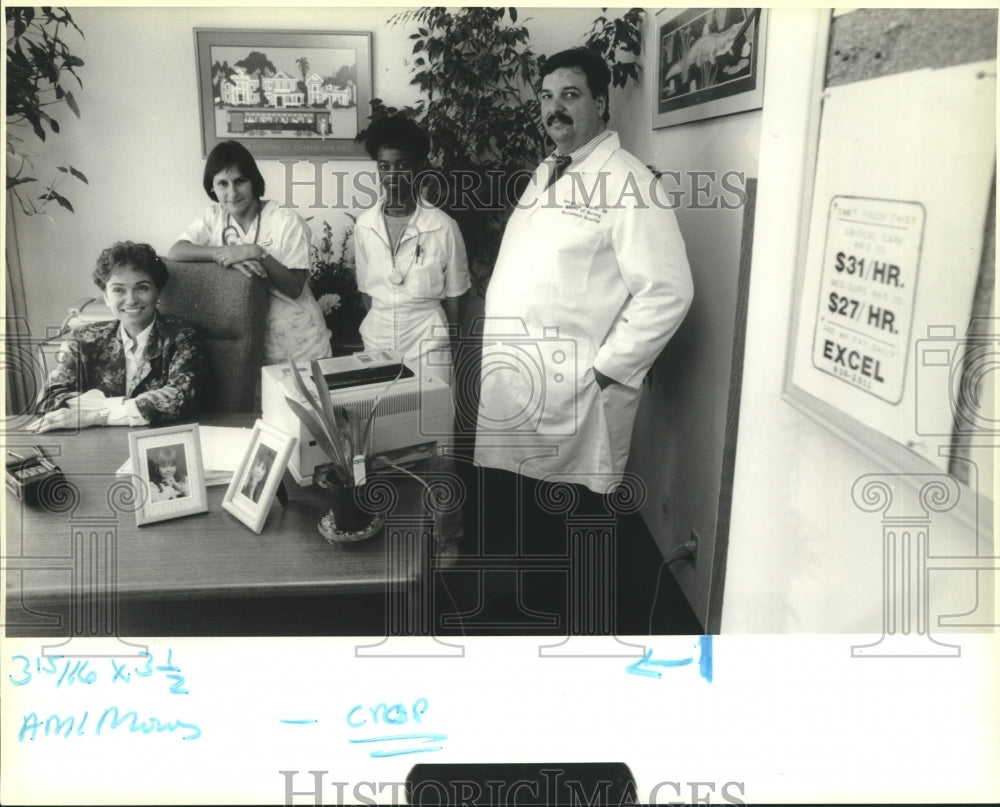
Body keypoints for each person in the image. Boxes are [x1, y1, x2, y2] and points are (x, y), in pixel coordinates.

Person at [471, 48, 694, 628]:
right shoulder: (547, 172)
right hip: (517, 385)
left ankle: (577, 632)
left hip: (575, 389)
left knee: (570, 520)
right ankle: (535, 611)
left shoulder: (629, 182)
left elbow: (668, 291)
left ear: (601, 101)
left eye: (569, 95)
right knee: (528, 514)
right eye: (546, 97)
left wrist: (607, 368)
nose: (554, 108)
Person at [167, 140, 331, 366]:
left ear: (253, 182)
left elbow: (294, 288)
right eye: (222, 183)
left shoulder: (287, 221)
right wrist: (227, 254)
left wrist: (257, 252)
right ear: (212, 187)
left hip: (298, 344)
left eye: (240, 181)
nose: (232, 192)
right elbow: (176, 251)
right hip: (247, 348)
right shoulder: (213, 218)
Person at [28, 242, 207, 433]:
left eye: (142, 288)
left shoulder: (183, 336)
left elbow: (180, 397)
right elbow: (49, 399)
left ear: (157, 292)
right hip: (97, 446)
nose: (130, 300)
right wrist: (123, 409)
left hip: (157, 442)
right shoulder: (83, 338)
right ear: (105, 296)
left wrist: (95, 415)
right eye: (118, 290)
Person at [353, 115, 470, 384]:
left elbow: (456, 297)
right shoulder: (365, 226)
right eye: (384, 167)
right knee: (381, 418)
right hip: (378, 341)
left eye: (402, 165)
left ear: (419, 167)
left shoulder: (443, 227)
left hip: (429, 344)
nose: (392, 176)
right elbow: (366, 293)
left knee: (431, 419)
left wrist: (448, 345)